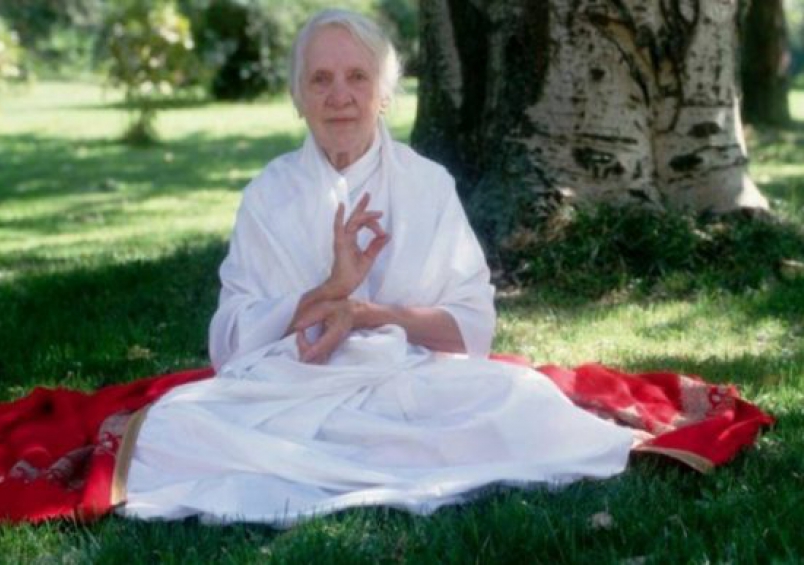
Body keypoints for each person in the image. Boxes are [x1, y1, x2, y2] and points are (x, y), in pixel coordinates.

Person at [119, 9, 633, 526]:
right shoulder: (267, 194)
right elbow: (230, 341)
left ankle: (328, 463)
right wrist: (328, 290)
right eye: (320, 79)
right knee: (171, 426)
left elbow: (471, 328)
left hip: (413, 385)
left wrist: (367, 314)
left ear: (384, 94)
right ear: (298, 98)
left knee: (521, 398)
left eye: (357, 77)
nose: (339, 96)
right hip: (293, 388)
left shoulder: (427, 184)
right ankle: (383, 459)